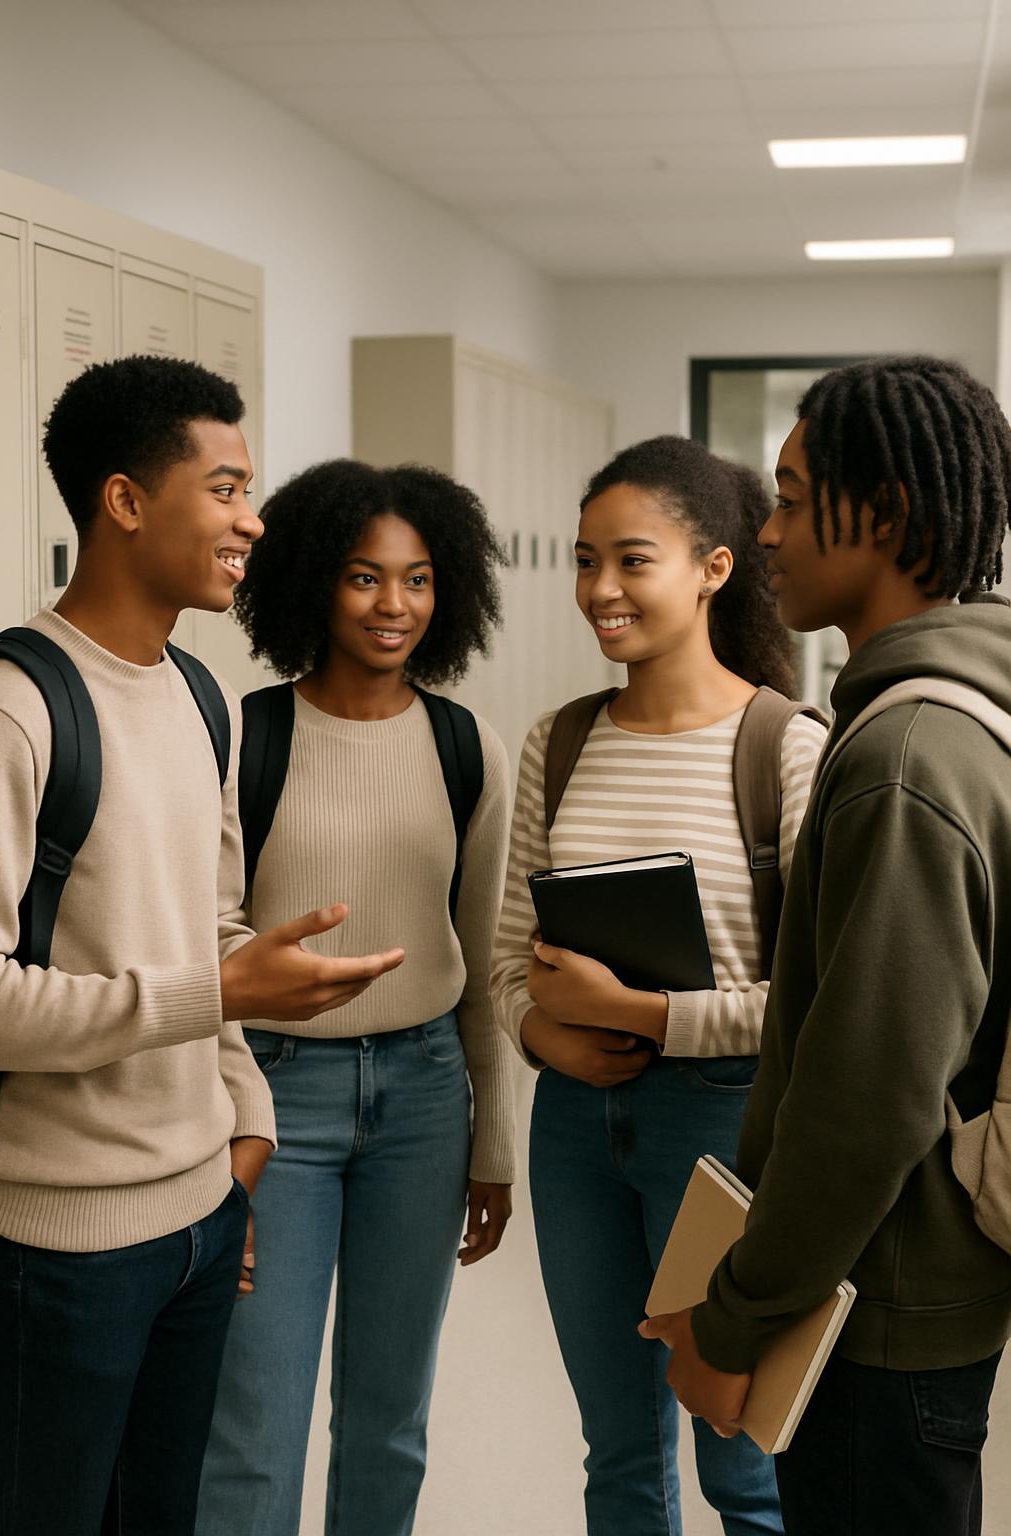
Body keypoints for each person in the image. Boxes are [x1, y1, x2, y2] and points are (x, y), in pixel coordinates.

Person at [0, 357, 403, 1536]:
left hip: (202, 1215)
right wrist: (213, 990)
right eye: (224, 489)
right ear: (125, 501)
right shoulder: (16, 708)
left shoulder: (201, 696)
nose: (252, 521)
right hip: (57, 1244)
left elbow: (206, 933)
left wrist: (246, 1123)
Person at [642, 356, 1011, 1536]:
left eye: (794, 500)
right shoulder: (961, 707)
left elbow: (867, 1104)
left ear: (889, 515)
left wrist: (736, 1318)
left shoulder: (904, 757)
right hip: (913, 1287)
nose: (767, 532)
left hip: (878, 1308)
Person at [491, 435, 826, 1536]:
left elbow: (814, 1002)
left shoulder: (785, 748)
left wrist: (638, 1017)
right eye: (585, 561)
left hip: (723, 1126)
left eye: (631, 560)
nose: (599, 589)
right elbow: (507, 959)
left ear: (714, 568)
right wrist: (545, 1035)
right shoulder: (561, 741)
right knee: (619, 1456)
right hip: (575, 1129)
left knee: (741, 1457)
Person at [197, 458, 516, 1536]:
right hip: (277, 1101)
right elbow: (217, 957)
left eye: (419, 580)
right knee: (254, 1422)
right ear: (309, 585)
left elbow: (473, 966)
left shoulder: (465, 747)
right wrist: (226, 1124)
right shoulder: (246, 735)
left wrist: (493, 1146)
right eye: (364, 578)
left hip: (425, 1099)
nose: (394, 607)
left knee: (389, 1420)